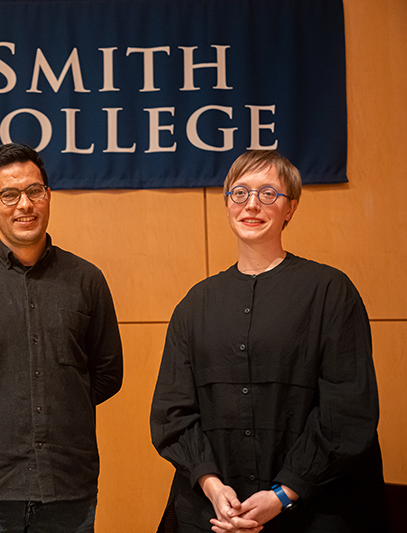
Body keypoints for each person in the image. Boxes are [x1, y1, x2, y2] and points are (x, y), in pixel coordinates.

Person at [150, 150, 388, 533]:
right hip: (214, 513)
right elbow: (172, 414)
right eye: (240, 193)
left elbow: (348, 411)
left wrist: (283, 493)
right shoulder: (195, 304)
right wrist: (212, 487)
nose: (252, 205)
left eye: (268, 194)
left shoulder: (330, 291)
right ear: (227, 204)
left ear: (290, 207)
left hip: (313, 507)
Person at [0, 143, 124, 533]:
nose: (24, 205)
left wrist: (58, 397)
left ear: (48, 195)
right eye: (9, 195)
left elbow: (106, 375)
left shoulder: (87, 280)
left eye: (34, 191)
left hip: (70, 492)